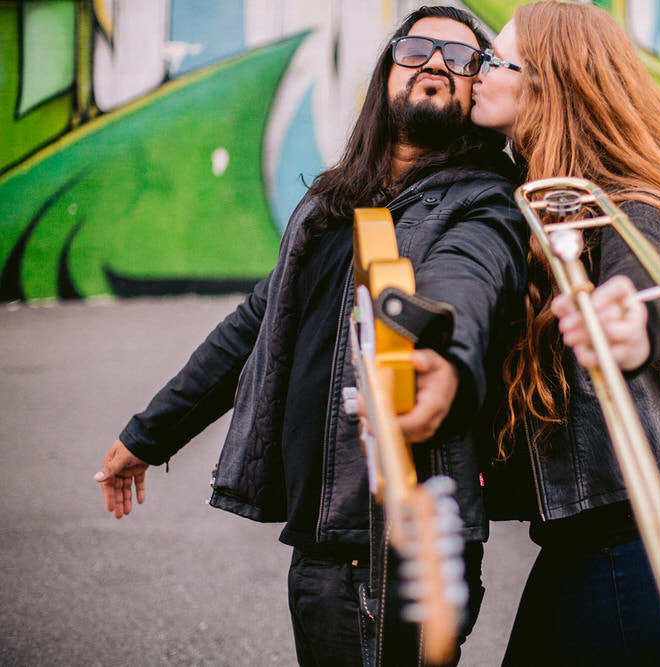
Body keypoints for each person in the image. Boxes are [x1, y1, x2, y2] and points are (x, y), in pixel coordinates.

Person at [94, 6, 527, 666]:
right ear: (388, 71)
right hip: (323, 537)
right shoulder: (333, 198)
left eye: (462, 57)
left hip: (393, 543)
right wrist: (146, 435)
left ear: (476, 91)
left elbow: (465, 277)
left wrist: (442, 350)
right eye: (417, 48)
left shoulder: (484, 201)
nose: (437, 62)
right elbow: (255, 323)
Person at [470, 2, 660, 665]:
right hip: (591, 545)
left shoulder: (627, 199)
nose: (478, 72)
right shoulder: (527, 186)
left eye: (495, 61)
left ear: (548, 84)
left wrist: (628, 325)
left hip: (635, 552)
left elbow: (634, 282)